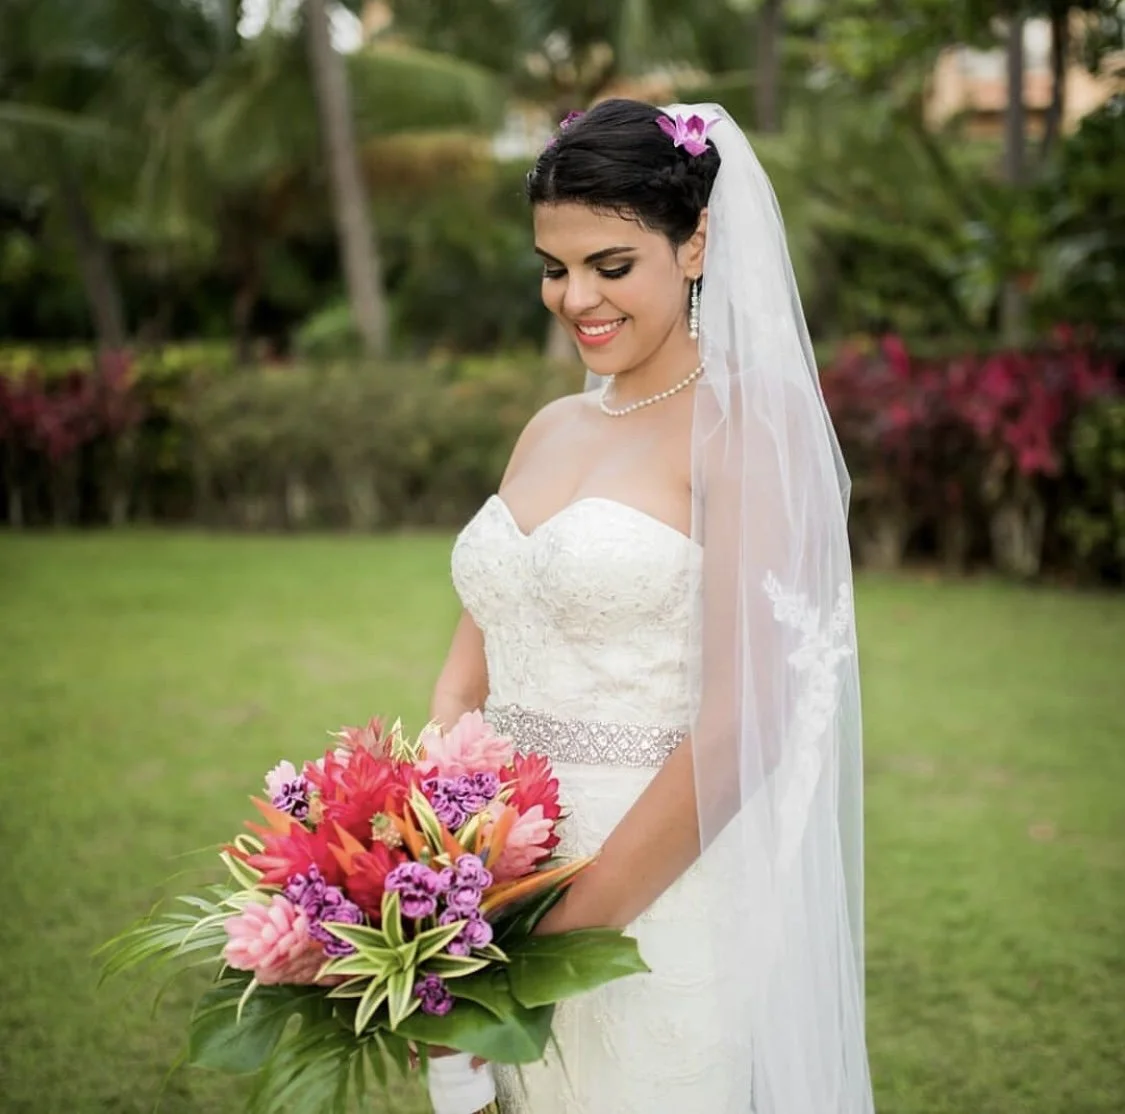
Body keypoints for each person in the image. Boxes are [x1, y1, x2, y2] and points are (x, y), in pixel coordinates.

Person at [430, 99, 875, 1114]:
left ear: (697, 242)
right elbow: (473, 659)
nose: (575, 296)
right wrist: (433, 863)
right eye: (554, 267)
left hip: (650, 900)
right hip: (492, 886)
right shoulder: (547, 428)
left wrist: (561, 934)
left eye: (611, 264)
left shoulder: (743, 434)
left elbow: (741, 727)